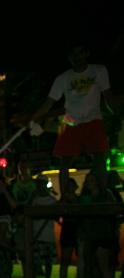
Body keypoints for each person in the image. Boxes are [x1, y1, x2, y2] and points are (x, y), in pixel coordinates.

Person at [31, 44, 117, 189]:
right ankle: (64, 196)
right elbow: (49, 102)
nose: (77, 58)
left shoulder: (99, 70)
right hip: (71, 121)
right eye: (73, 55)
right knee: (65, 161)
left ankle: (103, 192)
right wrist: (34, 118)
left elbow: (108, 95)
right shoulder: (63, 78)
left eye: (80, 53)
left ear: (86, 53)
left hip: (93, 118)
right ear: (69, 58)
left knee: (100, 156)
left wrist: (115, 111)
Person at [30, 176, 57, 278]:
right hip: (37, 235)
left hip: (47, 235)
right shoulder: (34, 199)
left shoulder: (52, 200)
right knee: (35, 262)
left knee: (47, 262)